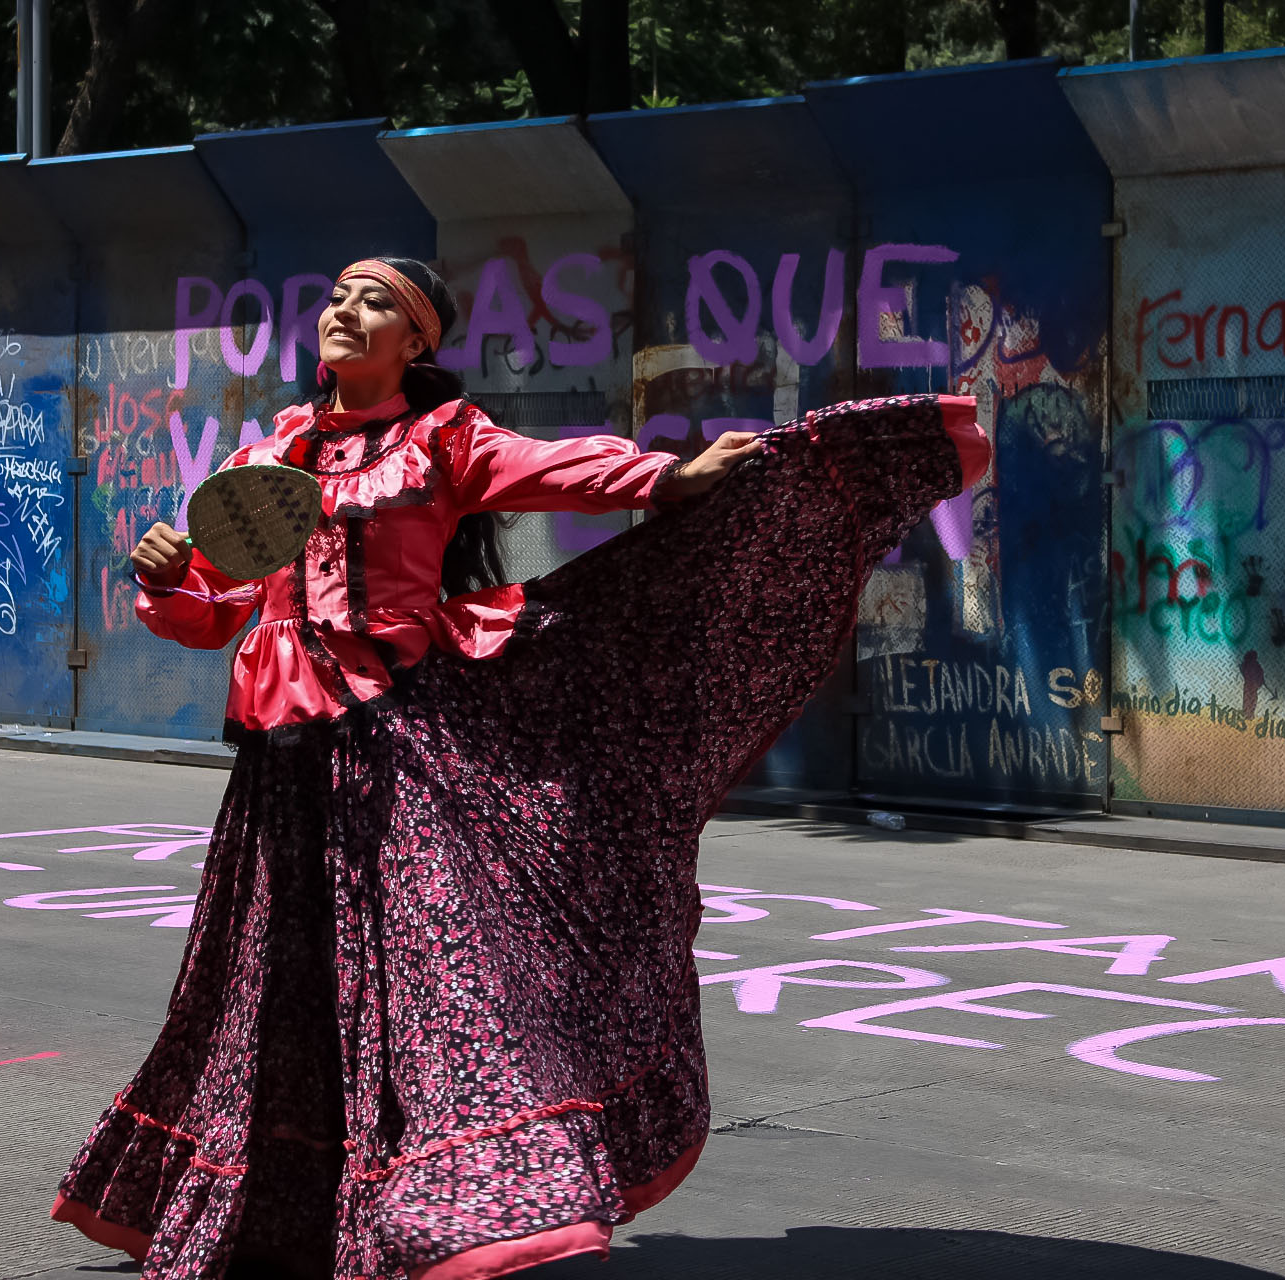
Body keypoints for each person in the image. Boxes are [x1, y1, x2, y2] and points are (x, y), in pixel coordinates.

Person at [52, 257, 988, 1280]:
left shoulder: (444, 439)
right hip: (281, 765)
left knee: (450, 981)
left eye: (376, 304)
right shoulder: (274, 448)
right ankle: (281, 1215)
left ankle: (478, 1205)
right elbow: (217, 604)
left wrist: (667, 477)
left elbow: (558, 466)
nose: (344, 313)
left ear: (419, 343)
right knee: (272, 992)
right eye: (335, 298)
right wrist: (167, 574)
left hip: (403, 749)